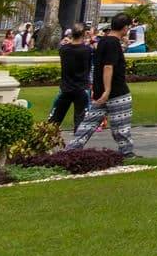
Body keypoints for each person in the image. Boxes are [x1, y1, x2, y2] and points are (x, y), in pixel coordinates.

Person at [67, 14, 135, 157]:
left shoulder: (102, 41)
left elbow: (96, 67)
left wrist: (97, 88)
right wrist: (107, 90)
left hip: (100, 91)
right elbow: (108, 67)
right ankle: (127, 152)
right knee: (121, 126)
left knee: (88, 123)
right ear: (125, 28)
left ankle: (72, 148)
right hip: (116, 91)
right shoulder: (113, 43)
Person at [50, 23, 95, 129]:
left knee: (55, 118)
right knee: (80, 120)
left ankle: (45, 138)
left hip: (66, 87)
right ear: (84, 33)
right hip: (82, 88)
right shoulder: (87, 50)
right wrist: (92, 37)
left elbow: (65, 45)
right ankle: (77, 144)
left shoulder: (64, 50)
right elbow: (94, 50)